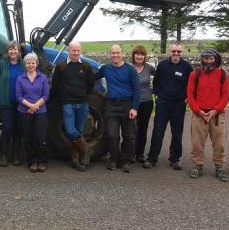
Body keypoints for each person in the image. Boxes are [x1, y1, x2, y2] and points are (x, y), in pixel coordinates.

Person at [143, 42, 193, 170]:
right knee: (158, 131)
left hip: (179, 104)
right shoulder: (162, 65)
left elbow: (191, 84)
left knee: (177, 133)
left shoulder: (187, 67)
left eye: (178, 52)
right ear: (170, 52)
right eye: (174, 51)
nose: (176, 54)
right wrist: (158, 96)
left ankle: (175, 159)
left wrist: (187, 98)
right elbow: (156, 81)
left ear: (181, 53)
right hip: (163, 103)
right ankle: (152, 158)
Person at [187, 48, 229, 182]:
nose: (208, 61)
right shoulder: (195, 75)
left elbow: (225, 95)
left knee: (219, 144)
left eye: (211, 59)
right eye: (206, 58)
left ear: (216, 60)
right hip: (199, 114)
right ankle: (198, 166)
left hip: (217, 115)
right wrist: (197, 110)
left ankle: (219, 167)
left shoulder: (223, 75)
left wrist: (216, 110)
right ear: (202, 60)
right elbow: (190, 94)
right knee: (197, 143)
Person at [95, 44, 140, 173]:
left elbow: (137, 90)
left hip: (127, 105)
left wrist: (134, 108)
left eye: (117, 53)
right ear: (110, 54)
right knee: (111, 134)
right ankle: (114, 158)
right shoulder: (105, 69)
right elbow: (91, 78)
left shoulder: (130, 70)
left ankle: (126, 160)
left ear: (122, 53)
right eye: (113, 53)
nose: (115, 55)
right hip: (111, 105)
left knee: (129, 135)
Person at [51, 41, 94, 172]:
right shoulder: (61, 66)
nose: (75, 53)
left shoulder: (86, 66)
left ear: (80, 51)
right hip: (68, 104)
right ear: (68, 51)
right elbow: (55, 84)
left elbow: (90, 84)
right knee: (70, 131)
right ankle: (87, 150)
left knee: (78, 132)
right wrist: (63, 98)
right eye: (73, 51)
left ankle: (75, 160)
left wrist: (82, 94)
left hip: (82, 103)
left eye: (78, 51)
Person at [0, 41, 25, 167]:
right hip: (5, 103)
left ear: (19, 52)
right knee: (8, 128)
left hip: (21, 104)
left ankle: (16, 155)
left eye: (15, 49)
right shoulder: (1, 64)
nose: (13, 52)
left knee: (18, 129)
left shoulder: (24, 65)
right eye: (11, 49)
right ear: (7, 51)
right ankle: (3, 155)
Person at [16, 53, 49, 172]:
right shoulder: (20, 78)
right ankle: (33, 161)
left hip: (40, 111)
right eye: (28, 63)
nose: (30, 65)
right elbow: (19, 96)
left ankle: (42, 160)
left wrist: (35, 106)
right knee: (28, 137)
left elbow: (46, 95)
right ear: (25, 65)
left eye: (32, 63)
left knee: (40, 137)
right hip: (24, 111)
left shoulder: (43, 78)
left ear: (36, 64)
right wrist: (30, 106)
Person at [130, 45, 155, 164]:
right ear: (133, 55)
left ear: (144, 56)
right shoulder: (129, 68)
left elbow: (161, 77)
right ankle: (131, 153)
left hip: (146, 102)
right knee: (132, 128)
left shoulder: (149, 68)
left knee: (142, 129)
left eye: (142, 54)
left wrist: (157, 90)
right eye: (137, 54)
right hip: (132, 103)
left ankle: (140, 153)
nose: (139, 56)